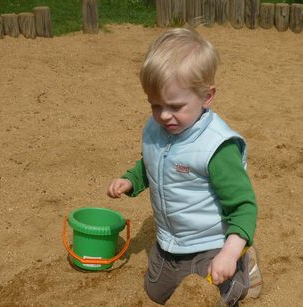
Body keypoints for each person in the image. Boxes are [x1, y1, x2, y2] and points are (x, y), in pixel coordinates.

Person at [107, 28, 262, 306]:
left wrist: (229, 252)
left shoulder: (217, 148)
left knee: (207, 298)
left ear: (206, 96)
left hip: (210, 243)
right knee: (156, 292)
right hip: (171, 240)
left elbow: (244, 206)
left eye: (175, 106)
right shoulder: (157, 128)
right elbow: (153, 161)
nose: (164, 115)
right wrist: (131, 180)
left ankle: (243, 267)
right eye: (155, 105)